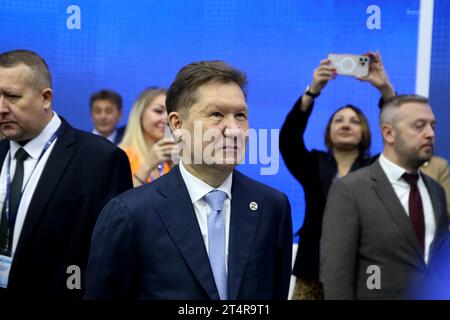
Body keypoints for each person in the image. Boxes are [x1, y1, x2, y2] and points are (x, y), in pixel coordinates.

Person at [85, 61, 293, 299]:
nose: (234, 129)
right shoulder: (131, 213)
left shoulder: (272, 207)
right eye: (216, 115)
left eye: (241, 115)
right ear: (177, 124)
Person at [0, 49, 132, 299]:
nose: (1, 108)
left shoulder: (100, 159)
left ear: (46, 98)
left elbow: (113, 259)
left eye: (13, 96)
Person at [279, 51, 395, 299]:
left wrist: (385, 89)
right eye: (338, 120)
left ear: (365, 132)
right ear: (328, 131)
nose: (345, 124)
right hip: (311, 273)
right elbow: (288, 140)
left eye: (354, 121)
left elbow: (400, 136)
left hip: (362, 273)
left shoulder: (378, 168)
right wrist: (313, 91)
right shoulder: (313, 165)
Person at [321, 94, 449, 299]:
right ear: (389, 133)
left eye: (432, 126)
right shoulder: (350, 190)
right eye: (419, 126)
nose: (430, 134)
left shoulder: (436, 191)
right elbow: (337, 274)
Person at [119, 87, 175, 187]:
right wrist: (147, 165)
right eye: (158, 111)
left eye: (170, 113)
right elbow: (119, 200)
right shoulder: (121, 155)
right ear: (140, 114)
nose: (166, 118)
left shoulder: (172, 157)